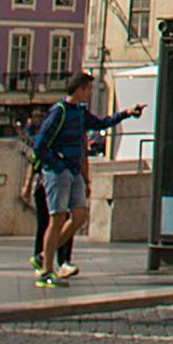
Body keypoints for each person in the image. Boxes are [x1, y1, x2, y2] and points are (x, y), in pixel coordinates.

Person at [25, 75, 137, 285]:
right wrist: (57, 165)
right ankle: (47, 271)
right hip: (59, 171)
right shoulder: (59, 112)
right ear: (79, 89)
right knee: (57, 218)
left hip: (74, 170)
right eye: (88, 89)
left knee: (79, 216)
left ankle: (43, 256)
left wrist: (126, 114)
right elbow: (39, 144)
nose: (90, 92)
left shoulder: (80, 111)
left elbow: (100, 123)